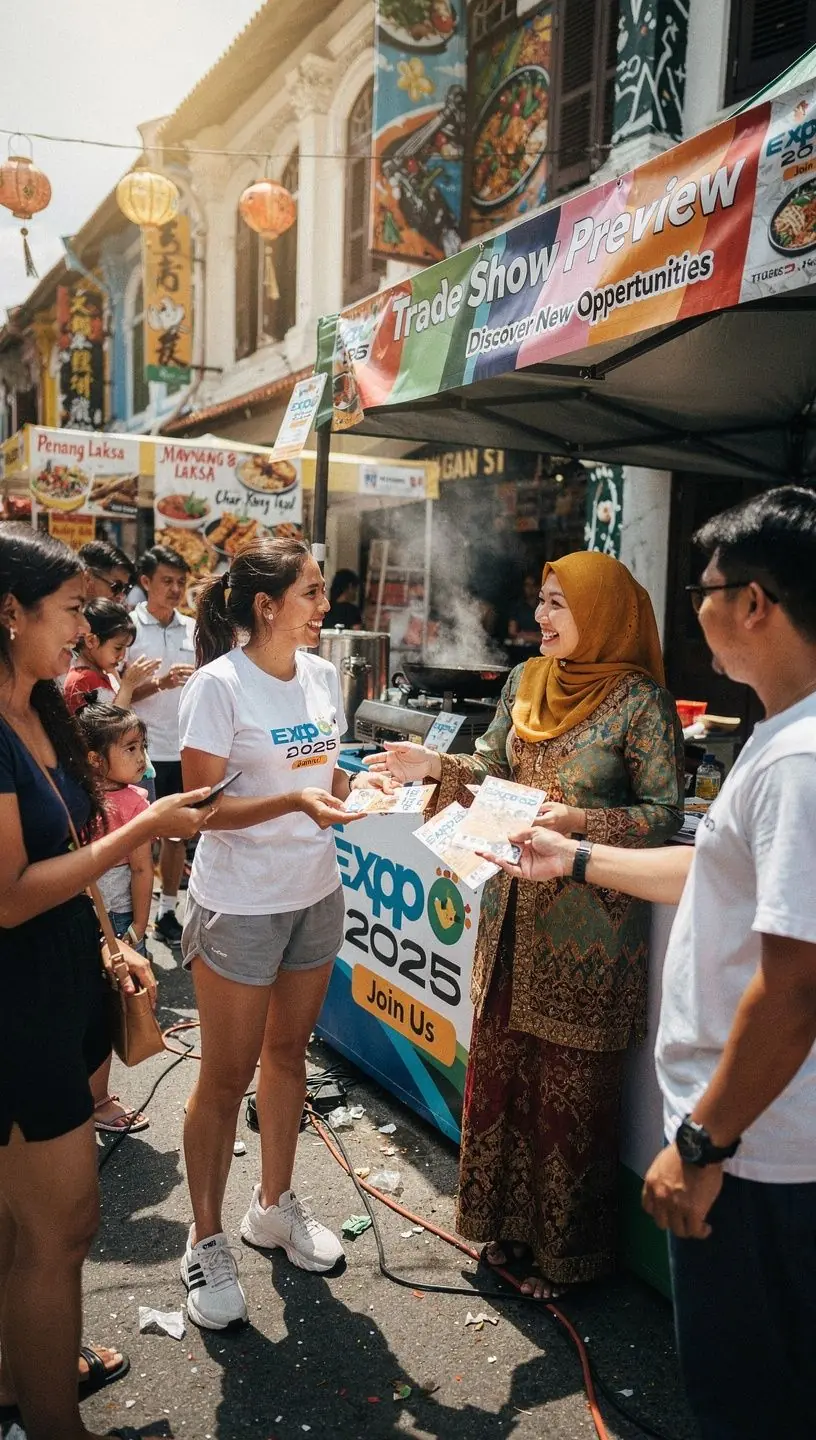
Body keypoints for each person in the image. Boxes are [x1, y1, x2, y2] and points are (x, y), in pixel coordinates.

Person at [485, 489, 816, 1440]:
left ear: (754, 603)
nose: (695, 606)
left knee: (746, 1397)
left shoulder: (793, 759)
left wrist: (702, 1142)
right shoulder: (776, 739)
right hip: (752, 1138)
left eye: (705, 586)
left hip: (758, 1149)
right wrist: (575, 857)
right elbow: (706, 866)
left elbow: (794, 987)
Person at [365, 552, 683, 1297]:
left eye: (558, 605)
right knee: (503, 1075)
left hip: (587, 927)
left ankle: (567, 1257)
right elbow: (487, 764)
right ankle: (504, 1228)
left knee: (569, 1088)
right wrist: (431, 764)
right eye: (540, 602)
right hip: (508, 912)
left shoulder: (639, 702)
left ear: (602, 613)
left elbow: (662, 816)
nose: (540, 618)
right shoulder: (524, 681)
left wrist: (575, 821)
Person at [0, 523, 212, 1440]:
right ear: (9, 613)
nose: (85, 631)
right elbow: (8, 896)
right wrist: (145, 828)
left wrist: (109, 939)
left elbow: (69, 852)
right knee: (65, 1225)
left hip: (61, 985)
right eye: (73, 610)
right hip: (17, 1007)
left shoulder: (44, 709)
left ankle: (23, 1383)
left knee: (26, 1230)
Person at [177, 537, 369, 1330]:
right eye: (312, 593)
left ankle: (273, 1207)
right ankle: (207, 1237)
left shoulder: (323, 677)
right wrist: (294, 804)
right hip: (240, 902)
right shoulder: (218, 686)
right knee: (224, 1078)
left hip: (314, 892)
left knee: (287, 1056)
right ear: (266, 606)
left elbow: (326, 777)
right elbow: (196, 810)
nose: (326, 607)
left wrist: (376, 783)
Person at [76, 701, 153, 1135]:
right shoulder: (90, 798)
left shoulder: (127, 801)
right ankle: (97, 1100)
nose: (141, 758)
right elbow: (141, 870)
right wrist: (134, 931)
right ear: (93, 758)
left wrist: (137, 929)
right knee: (102, 1012)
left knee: (98, 1009)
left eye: (143, 746)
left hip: (111, 920)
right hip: (102, 921)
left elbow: (143, 869)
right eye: (130, 748)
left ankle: (94, 1094)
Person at [128, 545, 196, 947]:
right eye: (166, 581)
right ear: (146, 582)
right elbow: (118, 694)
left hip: (183, 747)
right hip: (139, 752)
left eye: (180, 583)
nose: (174, 590)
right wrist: (160, 684)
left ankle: (168, 909)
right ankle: (135, 918)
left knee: (177, 836)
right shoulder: (128, 628)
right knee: (138, 837)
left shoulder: (192, 628)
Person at [64, 599, 160, 715]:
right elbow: (110, 729)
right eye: (118, 648)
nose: (122, 656)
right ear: (91, 641)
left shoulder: (102, 675)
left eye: (126, 649)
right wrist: (127, 686)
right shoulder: (81, 681)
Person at [506, 572, 542, 643]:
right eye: (527, 585)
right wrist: (533, 637)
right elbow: (512, 632)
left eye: (532, 585)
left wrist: (526, 635)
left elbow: (550, 633)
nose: (529, 588)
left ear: (538, 587)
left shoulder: (544, 608)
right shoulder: (517, 607)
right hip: (522, 647)